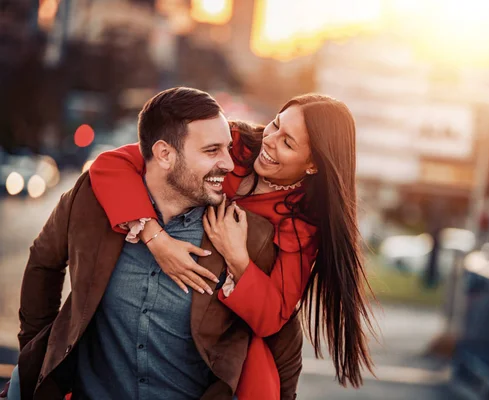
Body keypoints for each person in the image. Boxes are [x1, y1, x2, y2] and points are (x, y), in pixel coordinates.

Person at [7, 88, 303, 400]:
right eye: (212, 150)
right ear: (164, 154)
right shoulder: (91, 200)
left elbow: (283, 343)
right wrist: (35, 348)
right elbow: (44, 261)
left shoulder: (246, 235)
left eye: (228, 149)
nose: (229, 164)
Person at [87, 93, 377, 398]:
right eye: (276, 125)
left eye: (288, 143)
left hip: (213, 340)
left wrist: (237, 257)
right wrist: (156, 239)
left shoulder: (301, 223)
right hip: (142, 304)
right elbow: (113, 164)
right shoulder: (232, 143)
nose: (271, 140)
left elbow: (272, 316)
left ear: (313, 164)